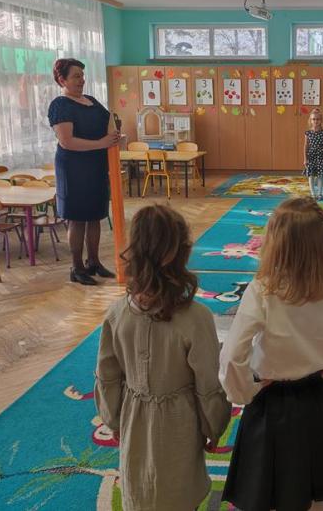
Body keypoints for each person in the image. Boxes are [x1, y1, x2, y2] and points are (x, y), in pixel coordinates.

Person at [219, 197, 323, 511]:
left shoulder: (263, 290)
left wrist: (244, 392)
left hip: (269, 402)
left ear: (276, 244)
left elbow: (232, 357)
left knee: (263, 488)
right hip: (314, 399)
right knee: (313, 492)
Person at [94, 204, 231, 511]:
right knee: (179, 492)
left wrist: (112, 419)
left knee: (141, 493)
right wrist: (214, 425)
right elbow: (208, 384)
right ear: (182, 255)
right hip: (179, 424)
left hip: (134, 420)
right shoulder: (197, 318)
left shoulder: (117, 313)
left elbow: (107, 375)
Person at [48, 58, 120, 285]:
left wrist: (116, 137)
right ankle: (77, 267)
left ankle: (94, 262)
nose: (81, 80)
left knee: (95, 215)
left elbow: (110, 124)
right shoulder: (60, 105)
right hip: (74, 169)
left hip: (96, 166)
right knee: (77, 218)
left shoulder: (92, 101)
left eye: (82, 76)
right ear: (62, 80)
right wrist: (101, 143)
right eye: (76, 76)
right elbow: (67, 141)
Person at [304, 108, 323, 199]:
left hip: (321, 156)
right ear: (310, 120)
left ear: (321, 120)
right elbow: (306, 146)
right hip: (311, 156)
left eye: (318, 119)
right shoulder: (308, 133)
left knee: (320, 175)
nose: (315, 121)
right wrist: (305, 159)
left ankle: (319, 194)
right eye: (313, 119)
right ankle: (313, 193)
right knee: (311, 175)